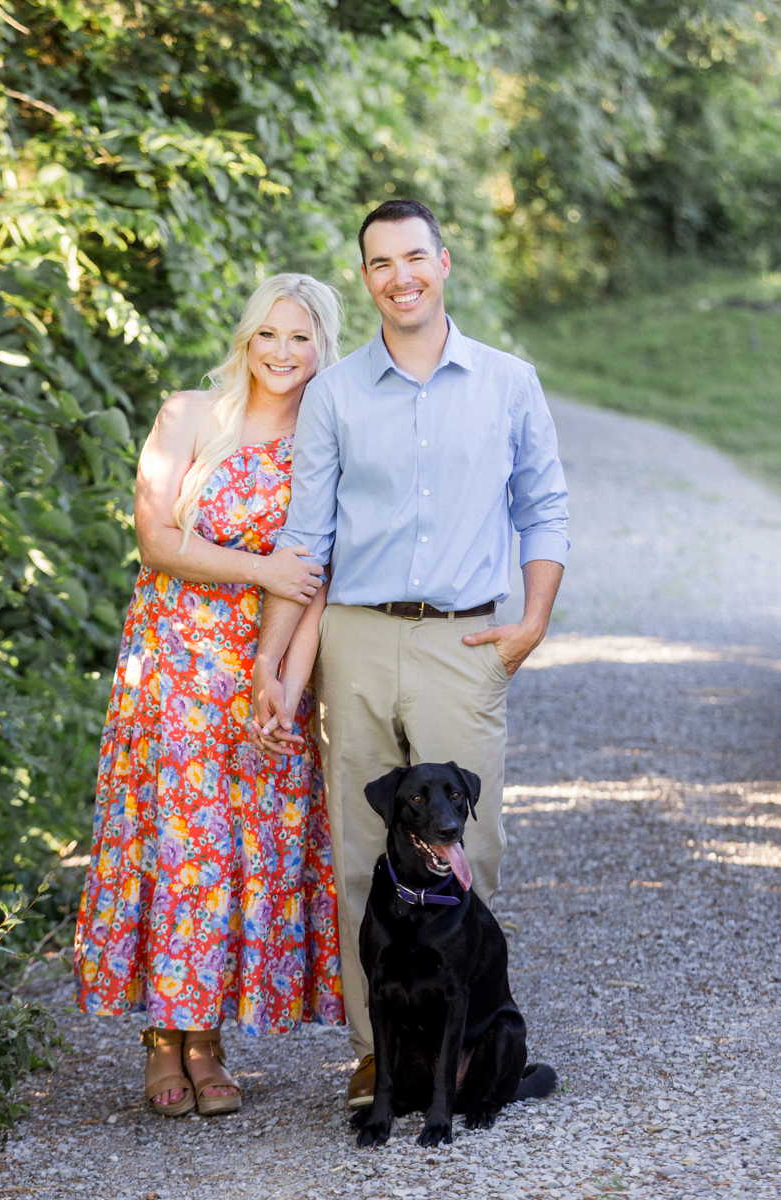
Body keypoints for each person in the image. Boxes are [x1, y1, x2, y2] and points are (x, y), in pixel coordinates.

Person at [251, 200, 569, 1108]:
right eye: (381, 263)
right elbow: (306, 540)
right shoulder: (337, 393)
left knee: (468, 845)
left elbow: (544, 509)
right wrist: (279, 668)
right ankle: (375, 1052)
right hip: (353, 633)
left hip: (463, 638)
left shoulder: (509, 381)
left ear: (444, 263)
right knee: (362, 850)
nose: (401, 276)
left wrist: (532, 619)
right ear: (366, 278)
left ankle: (464, 1037)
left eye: (415, 257)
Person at [74, 274, 345, 1119]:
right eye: (270, 334)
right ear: (246, 337)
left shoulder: (327, 437)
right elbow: (155, 538)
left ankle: (210, 1040)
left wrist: (289, 688)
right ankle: (165, 1040)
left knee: (237, 851)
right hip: (174, 664)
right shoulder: (189, 414)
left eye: (301, 339)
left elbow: (319, 580)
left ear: (324, 347)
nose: (283, 353)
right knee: (177, 846)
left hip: (264, 670)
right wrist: (259, 566)